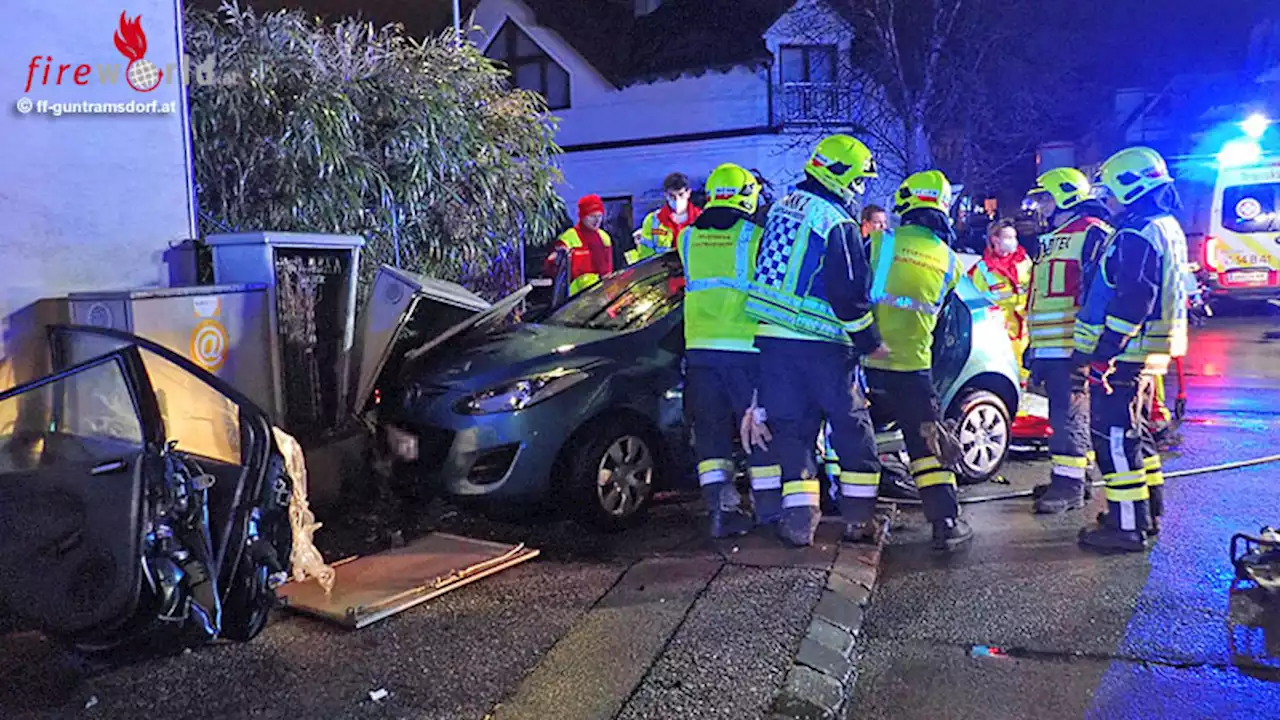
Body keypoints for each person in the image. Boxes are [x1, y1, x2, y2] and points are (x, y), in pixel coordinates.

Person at [742, 134, 883, 548]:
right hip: (822, 345)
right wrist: (869, 342)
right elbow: (848, 292)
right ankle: (859, 521)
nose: (859, 190)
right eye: (858, 181)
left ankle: (800, 522)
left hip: (772, 343)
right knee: (851, 430)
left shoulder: (780, 209)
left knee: (792, 432)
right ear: (839, 175)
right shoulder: (835, 221)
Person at [1073, 146, 1189, 553]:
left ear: (1130, 186)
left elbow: (1134, 297)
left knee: (1114, 439)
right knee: (1137, 436)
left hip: (1126, 354)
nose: (1107, 200)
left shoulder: (1138, 231)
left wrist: (1104, 353)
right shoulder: (1166, 226)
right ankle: (1145, 513)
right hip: (1150, 352)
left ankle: (1125, 528)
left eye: (1110, 191)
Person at [864, 170, 972, 552]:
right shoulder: (951, 261)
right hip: (913, 367)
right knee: (927, 444)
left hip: (866, 365)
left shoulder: (878, 243)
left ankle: (856, 519)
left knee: (853, 438)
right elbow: (946, 322)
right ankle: (945, 523)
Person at [678, 163, 765, 539]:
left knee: (711, 435)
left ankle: (720, 511)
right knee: (758, 431)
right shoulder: (755, 237)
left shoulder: (685, 238)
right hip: (745, 350)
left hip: (699, 351)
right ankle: (769, 509)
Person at [1023, 168, 1113, 514]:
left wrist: (1090, 345)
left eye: (1045, 198)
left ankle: (1069, 487)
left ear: (1065, 197)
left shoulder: (1092, 235)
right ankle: (1074, 477)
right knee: (1060, 414)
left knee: (1069, 415)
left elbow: (1097, 293)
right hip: (1051, 345)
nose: (1040, 207)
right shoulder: (1055, 237)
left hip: (1071, 346)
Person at [969, 219, 1033, 381]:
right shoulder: (982, 269)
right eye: (1009, 237)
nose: (1014, 242)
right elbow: (978, 300)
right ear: (995, 239)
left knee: (1024, 367)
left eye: (1014, 237)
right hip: (1000, 327)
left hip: (1024, 323)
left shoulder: (1024, 261)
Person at [545, 194, 613, 301]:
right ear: (582, 216)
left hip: (600, 295)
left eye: (599, 216)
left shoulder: (604, 238)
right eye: (592, 216)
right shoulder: (568, 238)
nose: (597, 220)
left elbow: (608, 272)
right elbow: (553, 271)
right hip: (574, 299)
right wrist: (554, 260)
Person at [629, 172, 701, 263]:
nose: (677, 200)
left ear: (688, 193)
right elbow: (645, 257)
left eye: (681, 195)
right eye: (672, 196)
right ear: (666, 195)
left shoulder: (701, 218)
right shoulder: (653, 221)